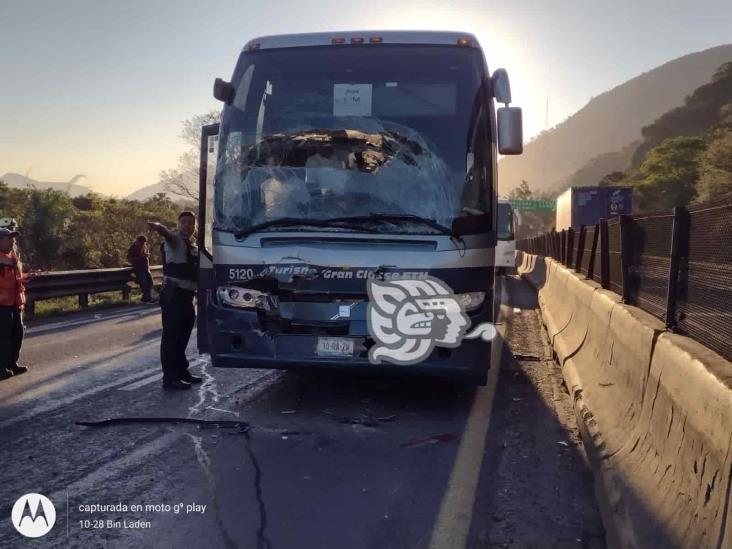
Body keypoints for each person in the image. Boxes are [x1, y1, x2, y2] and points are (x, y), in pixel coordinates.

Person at [147, 212, 201, 390]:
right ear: (178, 224)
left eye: (191, 223)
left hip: (187, 296)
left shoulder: (192, 245)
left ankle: (181, 372)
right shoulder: (175, 240)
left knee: (183, 337)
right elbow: (166, 233)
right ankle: (170, 379)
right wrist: (157, 226)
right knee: (172, 337)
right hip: (174, 295)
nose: (187, 226)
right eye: (184, 222)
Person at [0, 226, 29, 380]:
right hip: (1, 305)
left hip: (14, 304)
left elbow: (15, 280)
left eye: (12, 238)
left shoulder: (12, 257)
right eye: (8, 238)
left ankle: (11, 363)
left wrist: (25, 278)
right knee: (2, 337)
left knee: (17, 334)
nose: (12, 241)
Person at [127, 235, 155, 303]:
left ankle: (147, 297)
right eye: (141, 243)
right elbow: (130, 259)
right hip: (139, 269)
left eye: (144, 243)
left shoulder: (145, 246)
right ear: (137, 241)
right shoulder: (132, 249)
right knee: (144, 283)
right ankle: (146, 298)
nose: (142, 245)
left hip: (146, 268)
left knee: (150, 283)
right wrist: (140, 257)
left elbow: (146, 255)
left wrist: (147, 255)